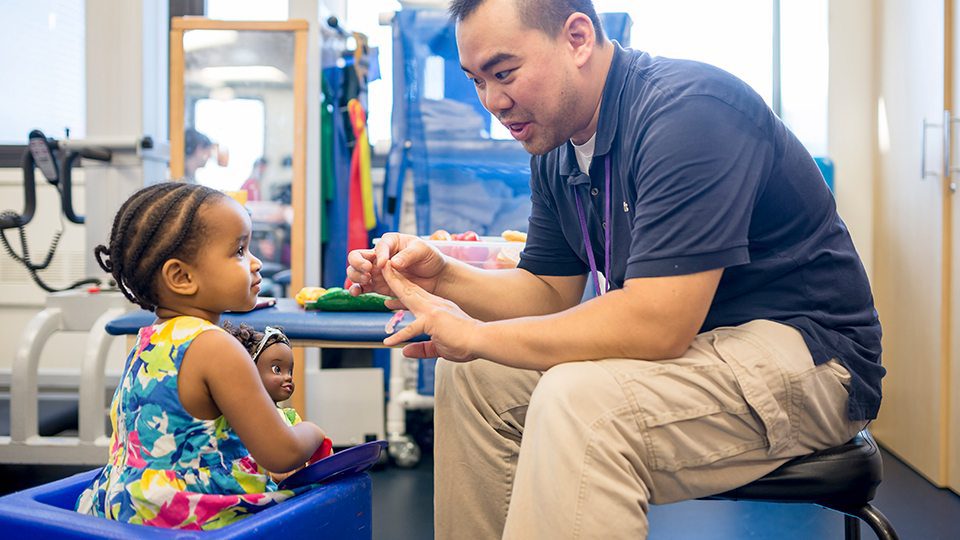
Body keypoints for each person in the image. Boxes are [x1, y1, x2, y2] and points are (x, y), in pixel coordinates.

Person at [346, 1, 883, 538]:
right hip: (699, 348)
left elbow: (656, 323)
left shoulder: (690, 111)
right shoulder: (557, 149)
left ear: (577, 38)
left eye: (504, 73)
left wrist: (474, 332)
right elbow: (547, 291)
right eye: (477, 81)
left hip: (810, 357)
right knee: (471, 375)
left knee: (581, 403)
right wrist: (442, 278)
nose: (494, 102)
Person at [77, 182, 327, 530]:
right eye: (239, 251)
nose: (255, 263)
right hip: (191, 517)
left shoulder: (149, 340)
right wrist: (310, 431)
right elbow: (281, 453)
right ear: (181, 277)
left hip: (124, 508)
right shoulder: (215, 346)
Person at [221, 322, 331, 483]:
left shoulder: (291, 418)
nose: (288, 377)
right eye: (277, 369)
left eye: (290, 371)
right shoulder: (242, 418)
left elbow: (300, 452)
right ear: (249, 371)